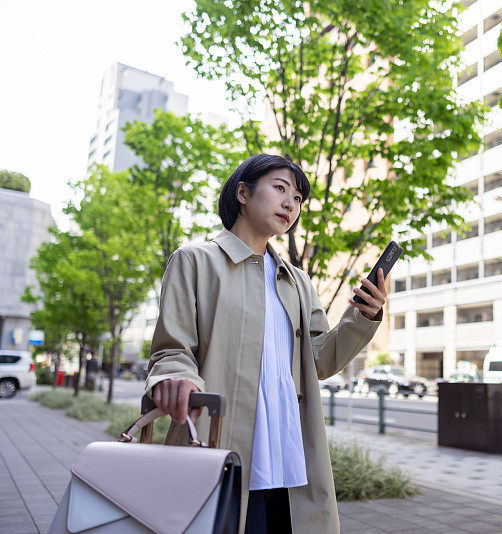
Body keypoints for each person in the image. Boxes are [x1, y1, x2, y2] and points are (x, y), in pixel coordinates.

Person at [144, 154, 387, 534]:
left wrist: (363, 317)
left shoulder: (298, 282)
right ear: (243, 192)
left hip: (289, 461)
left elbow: (319, 359)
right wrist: (176, 377)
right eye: (280, 188)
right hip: (220, 449)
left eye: (299, 199)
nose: (291, 203)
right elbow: (172, 348)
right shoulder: (194, 261)